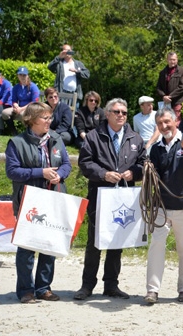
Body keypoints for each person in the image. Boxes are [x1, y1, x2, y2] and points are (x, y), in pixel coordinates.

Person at [75, 98, 146, 300]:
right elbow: (85, 163)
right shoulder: (93, 136)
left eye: (124, 112)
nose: (121, 115)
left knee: (117, 241)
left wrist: (134, 173)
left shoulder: (135, 138)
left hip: (124, 197)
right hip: (100, 195)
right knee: (94, 242)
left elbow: (143, 163)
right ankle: (87, 285)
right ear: (107, 114)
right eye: (116, 111)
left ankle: (111, 285)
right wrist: (104, 174)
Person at [5, 102, 72, 303]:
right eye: (45, 118)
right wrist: (40, 172)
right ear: (32, 120)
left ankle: (43, 288)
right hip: (29, 200)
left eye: (50, 118)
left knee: (48, 245)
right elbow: (12, 171)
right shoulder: (16, 143)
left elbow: (67, 164)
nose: (49, 121)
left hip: (54, 198)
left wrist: (59, 175)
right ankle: (26, 290)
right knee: (26, 247)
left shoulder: (57, 139)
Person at [144, 107, 183, 304]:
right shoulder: (156, 148)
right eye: (160, 124)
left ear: (176, 120)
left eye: (167, 122)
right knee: (156, 246)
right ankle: (152, 290)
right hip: (162, 205)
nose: (164, 126)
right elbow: (154, 174)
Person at [2, 66, 40, 135]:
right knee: (5, 113)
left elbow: (34, 102)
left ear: (27, 76)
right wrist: (16, 106)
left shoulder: (33, 86)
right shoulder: (16, 87)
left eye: (24, 75)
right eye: (20, 75)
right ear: (18, 76)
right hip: (19, 108)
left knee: (23, 114)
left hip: (31, 108)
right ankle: (14, 132)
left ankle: (29, 133)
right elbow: (14, 100)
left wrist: (21, 109)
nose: (22, 77)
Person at [156, 51, 183, 131]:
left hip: (177, 101)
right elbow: (158, 87)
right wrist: (164, 96)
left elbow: (182, 86)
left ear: (177, 60)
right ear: (167, 60)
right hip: (165, 103)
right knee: (166, 121)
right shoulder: (162, 73)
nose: (172, 61)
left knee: (176, 122)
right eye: (170, 59)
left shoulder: (182, 71)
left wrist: (170, 96)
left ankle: (177, 141)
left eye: (174, 59)